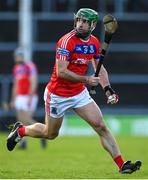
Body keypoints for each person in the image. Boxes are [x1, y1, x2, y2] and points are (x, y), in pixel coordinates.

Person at [7, 8, 141, 173]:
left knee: (100, 126)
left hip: (78, 93)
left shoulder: (94, 43)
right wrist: (86, 79)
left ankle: (122, 165)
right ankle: (21, 131)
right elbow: (62, 71)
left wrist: (107, 89)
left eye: (85, 22)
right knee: (50, 134)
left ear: (92, 25)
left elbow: (99, 68)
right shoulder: (66, 41)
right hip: (57, 94)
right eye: (79, 20)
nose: (80, 24)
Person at [9, 47, 46, 149]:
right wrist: (13, 99)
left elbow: (33, 82)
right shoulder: (16, 68)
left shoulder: (30, 66)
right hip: (20, 97)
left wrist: (30, 97)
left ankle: (43, 132)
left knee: (27, 119)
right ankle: (23, 143)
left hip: (28, 96)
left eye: (18, 56)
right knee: (20, 121)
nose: (17, 58)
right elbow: (16, 85)